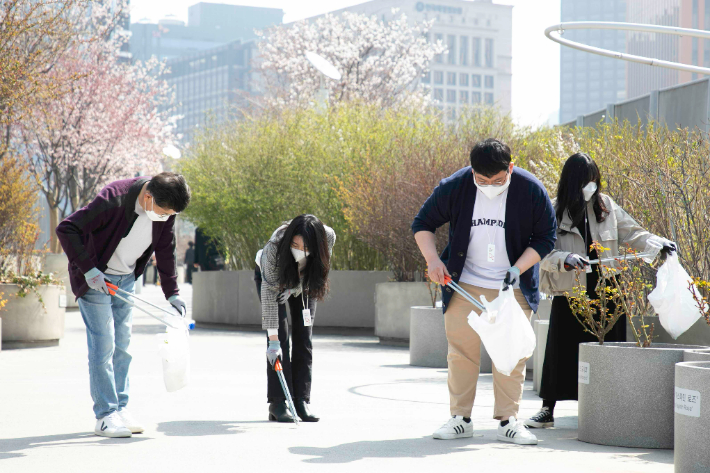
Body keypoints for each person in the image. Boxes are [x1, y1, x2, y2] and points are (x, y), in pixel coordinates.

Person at [412, 138, 557, 445]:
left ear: (511, 167)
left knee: (511, 353)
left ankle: (508, 421)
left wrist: (518, 268)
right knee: (461, 352)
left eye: (498, 180)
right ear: (473, 171)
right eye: (482, 180)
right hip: (464, 282)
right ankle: (460, 419)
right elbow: (423, 223)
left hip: (511, 284)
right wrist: (433, 260)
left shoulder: (530, 189)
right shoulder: (458, 185)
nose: (490, 186)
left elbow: (546, 237)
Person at [525, 153, 676, 429]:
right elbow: (540, 251)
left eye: (595, 180)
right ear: (573, 182)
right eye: (586, 181)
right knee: (561, 348)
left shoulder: (606, 206)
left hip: (608, 287)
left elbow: (633, 232)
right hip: (572, 291)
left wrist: (658, 242)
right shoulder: (553, 209)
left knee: (610, 347)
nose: (592, 186)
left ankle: (608, 405)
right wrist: (565, 260)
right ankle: (548, 409)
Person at [56, 172, 191, 438]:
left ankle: (121, 407)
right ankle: (105, 415)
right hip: (97, 278)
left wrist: (172, 293)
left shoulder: (165, 208)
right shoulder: (114, 198)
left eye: (171, 214)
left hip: (126, 279)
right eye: (164, 212)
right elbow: (67, 228)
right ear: (148, 197)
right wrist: (89, 270)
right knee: (103, 343)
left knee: (123, 345)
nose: (167, 218)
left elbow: (166, 249)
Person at [254, 215, 336, 423]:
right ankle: (278, 402)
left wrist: (297, 288)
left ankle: (301, 400)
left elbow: (320, 270)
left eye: (305, 246)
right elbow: (269, 293)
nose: (299, 249)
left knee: (303, 338)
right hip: (273, 281)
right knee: (280, 339)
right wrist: (272, 341)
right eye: (294, 244)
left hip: (304, 281)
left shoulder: (327, 236)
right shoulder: (274, 247)